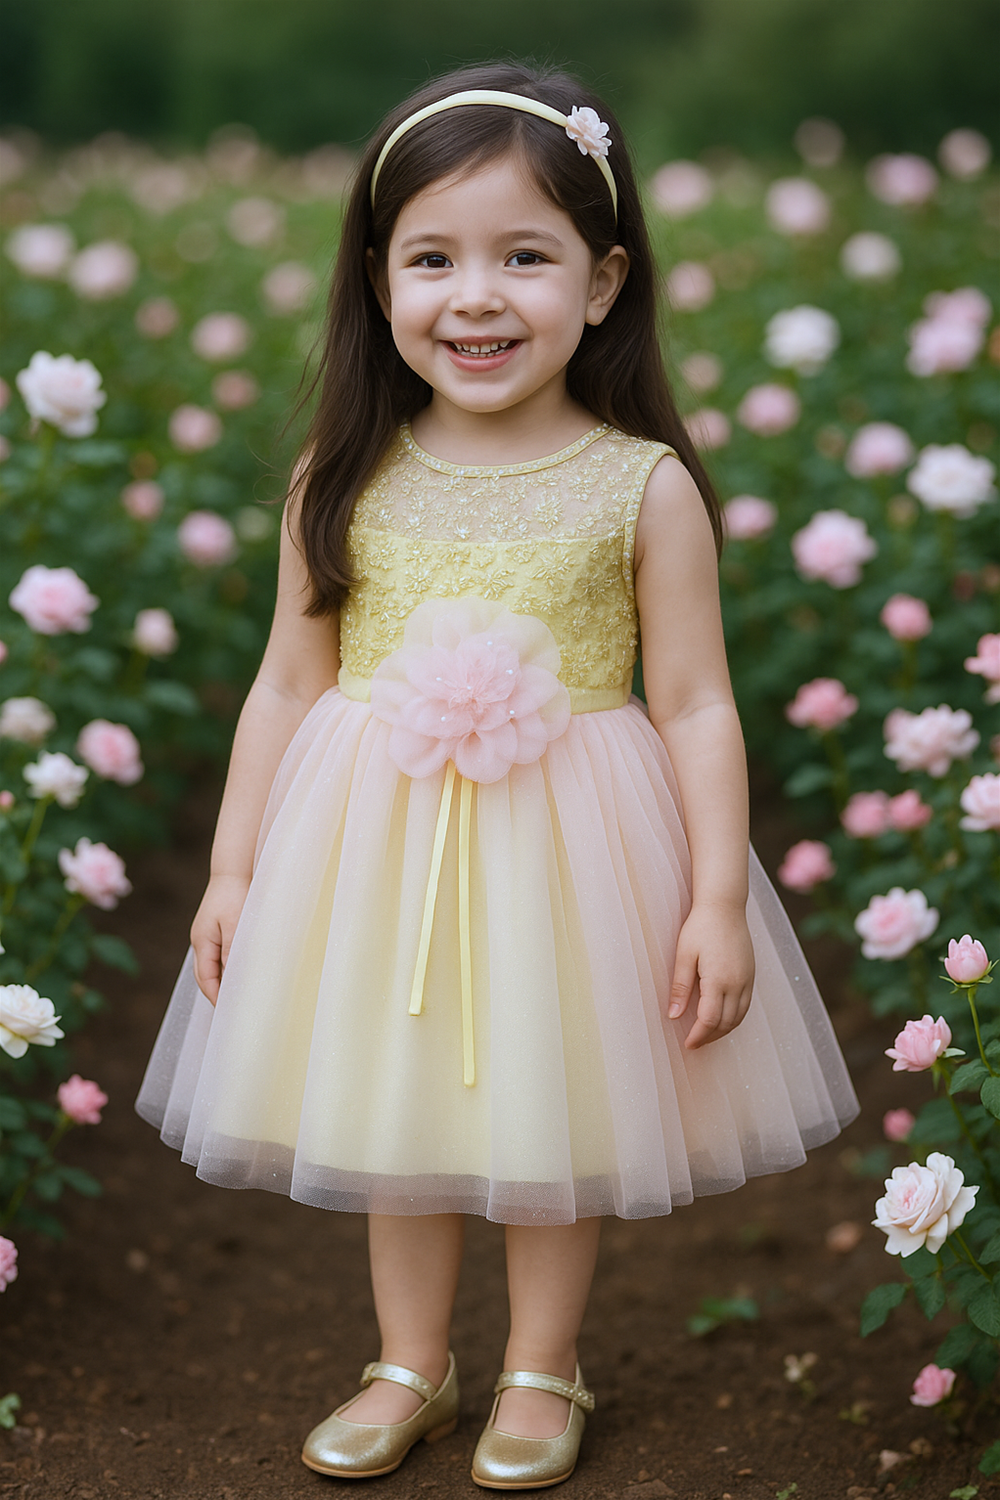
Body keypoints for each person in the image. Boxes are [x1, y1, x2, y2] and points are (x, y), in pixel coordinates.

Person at [136, 60, 859, 1490]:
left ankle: (543, 1363)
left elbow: (697, 699)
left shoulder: (639, 484)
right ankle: (410, 1360)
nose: (477, 296)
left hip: (567, 842)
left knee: (550, 1093)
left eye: (524, 257)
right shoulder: (341, 477)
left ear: (601, 285)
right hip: (370, 837)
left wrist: (717, 895)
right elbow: (287, 682)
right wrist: (232, 869)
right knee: (393, 1100)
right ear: (378, 280)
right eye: (434, 259)